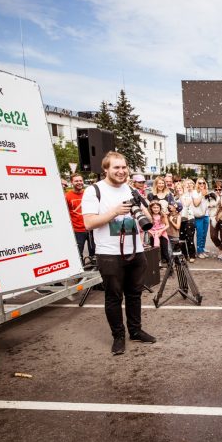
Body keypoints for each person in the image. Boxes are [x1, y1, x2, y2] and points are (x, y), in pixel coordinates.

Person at [82, 152, 156, 355]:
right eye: (116, 167)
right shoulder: (94, 191)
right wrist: (115, 211)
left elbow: (148, 219)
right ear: (105, 169)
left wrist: (140, 210)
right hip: (109, 253)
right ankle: (118, 336)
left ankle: (135, 331)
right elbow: (88, 223)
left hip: (136, 251)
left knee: (135, 294)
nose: (121, 171)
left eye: (124, 167)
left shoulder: (131, 189)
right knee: (114, 297)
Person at [65, 174, 93, 260]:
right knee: (78, 254)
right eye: (76, 181)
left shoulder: (88, 193)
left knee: (94, 253)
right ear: (71, 182)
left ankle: (93, 267)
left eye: (80, 180)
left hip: (91, 228)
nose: (79, 183)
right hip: (77, 230)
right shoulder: (67, 196)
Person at [191, 179, 210, 259]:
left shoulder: (207, 192)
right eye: (200, 183)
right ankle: (199, 252)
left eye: (203, 183)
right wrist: (201, 194)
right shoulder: (195, 192)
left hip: (206, 215)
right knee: (200, 234)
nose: (202, 184)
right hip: (198, 216)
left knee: (204, 234)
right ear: (197, 184)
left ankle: (202, 249)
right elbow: (196, 203)